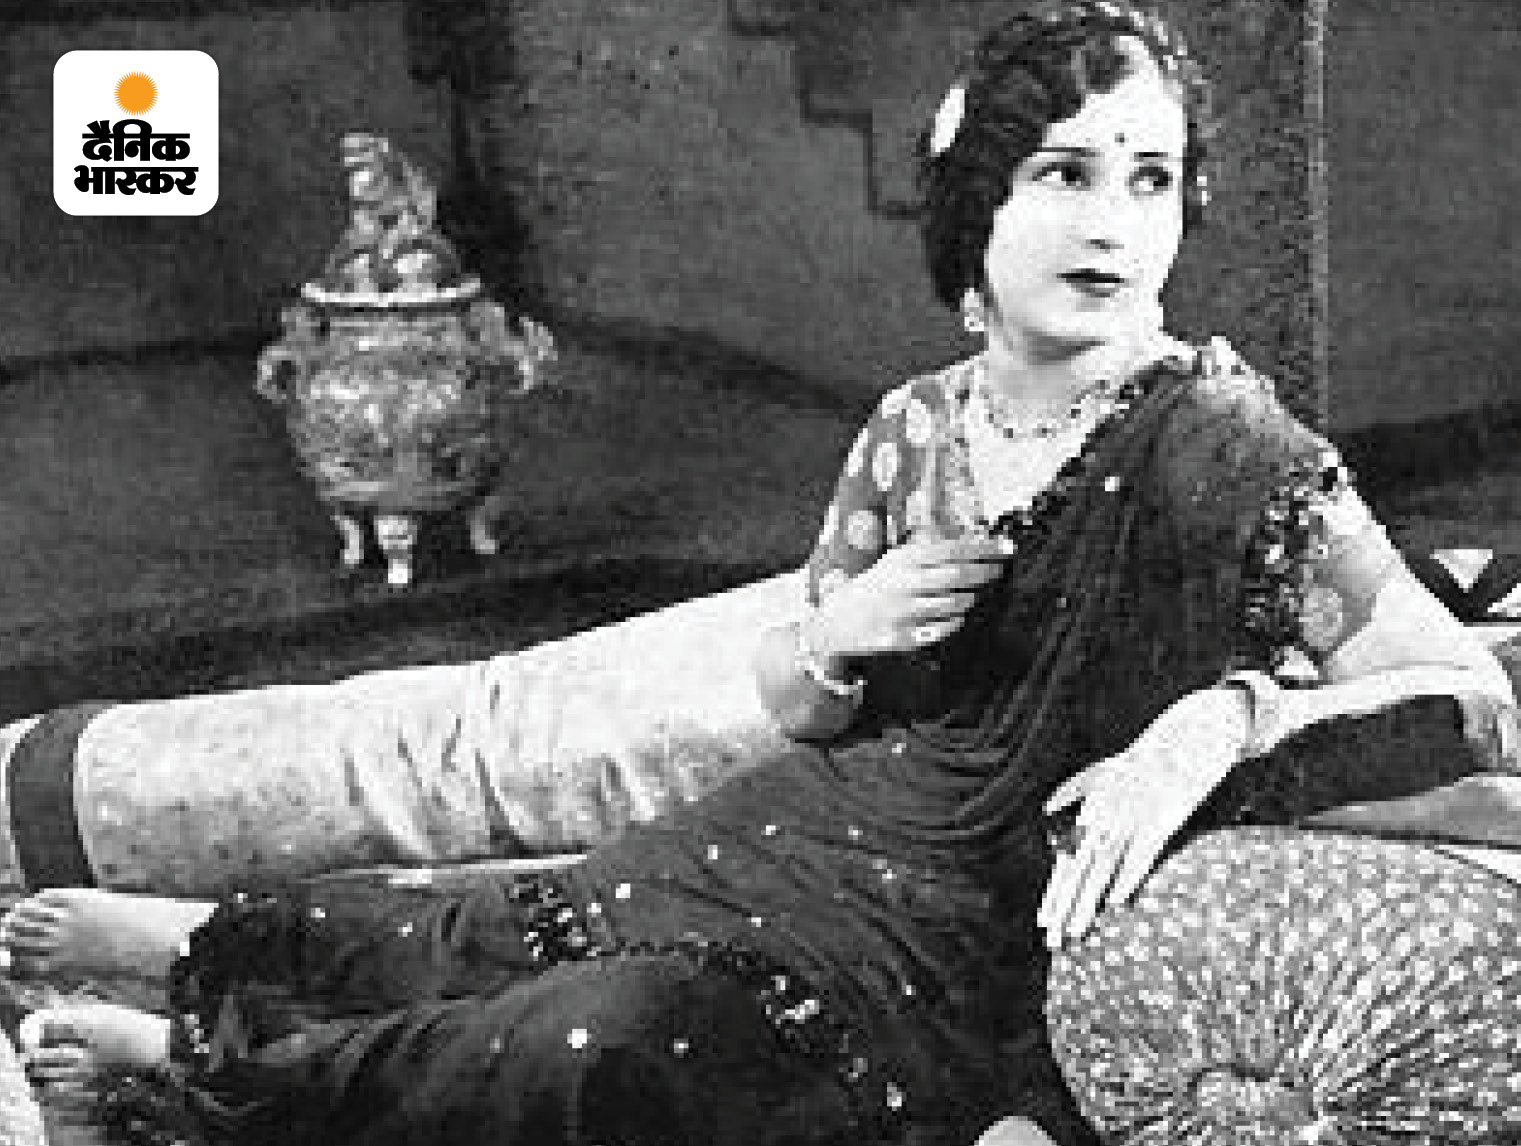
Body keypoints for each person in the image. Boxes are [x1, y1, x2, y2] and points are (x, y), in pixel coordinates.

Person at [4, 3, 1517, 1144]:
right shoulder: (917, 423)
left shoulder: (1228, 444)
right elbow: (804, 707)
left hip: (970, 937)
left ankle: (201, 1074)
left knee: (595, 1039)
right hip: (809, 831)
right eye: (1065, 173)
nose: (1112, 223)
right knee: (514, 922)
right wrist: (841, 629)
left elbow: (1465, 698)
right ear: (975, 207)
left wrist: (1222, 721)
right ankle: (208, 947)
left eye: (1151, 179)